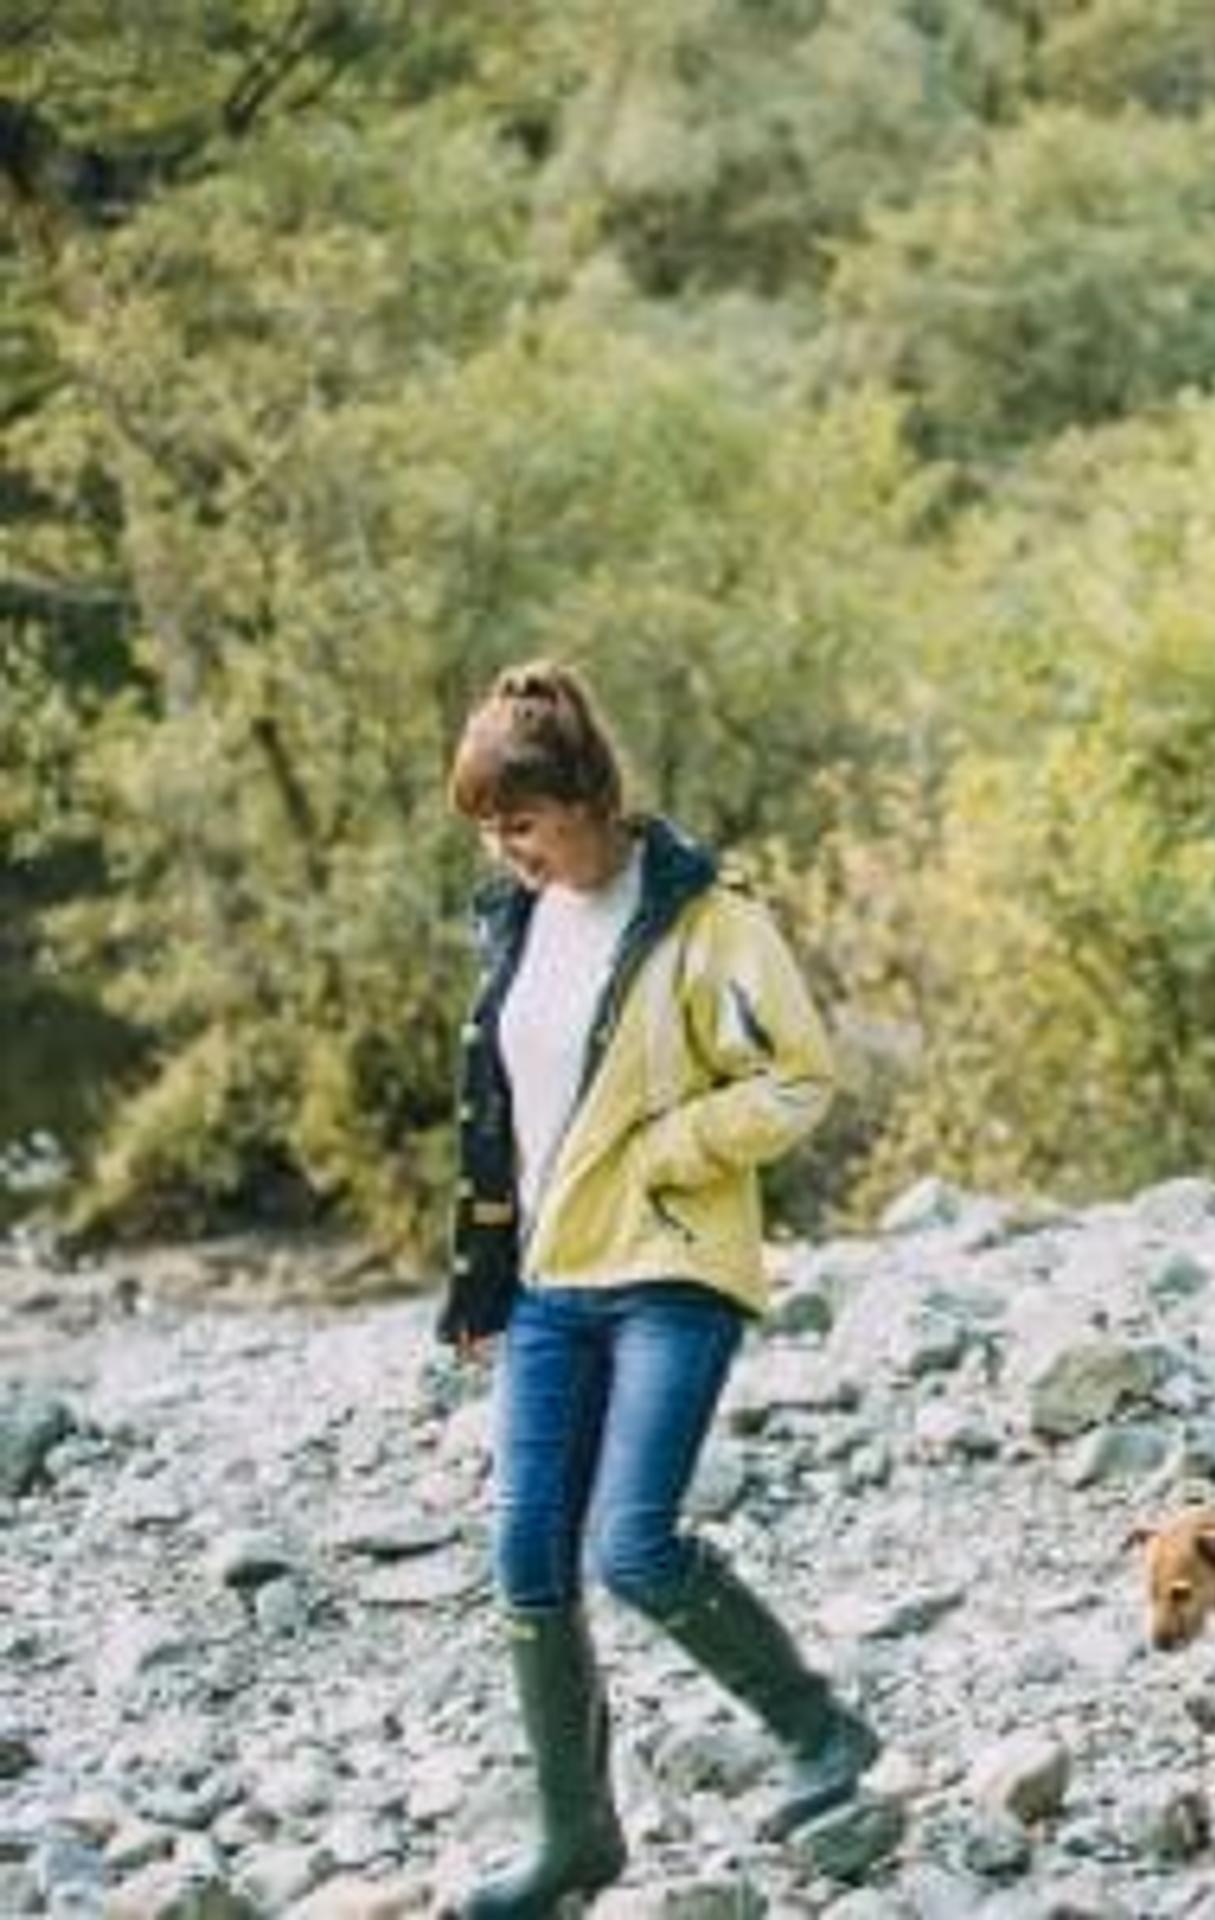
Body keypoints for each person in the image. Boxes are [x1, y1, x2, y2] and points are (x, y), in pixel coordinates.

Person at [436, 662, 877, 1917]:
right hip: (546, 1285)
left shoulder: (705, 915)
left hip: (672, 1272)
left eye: (519, 822)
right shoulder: (513, 923)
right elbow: (504, 1123)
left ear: (584, 797)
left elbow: (800, 1077)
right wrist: (478, 1285)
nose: (505, 849)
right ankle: (577, 1841)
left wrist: (675, 1152)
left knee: (629, 1544)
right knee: (526, 1551)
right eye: (487, 830)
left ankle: (820, 1732)